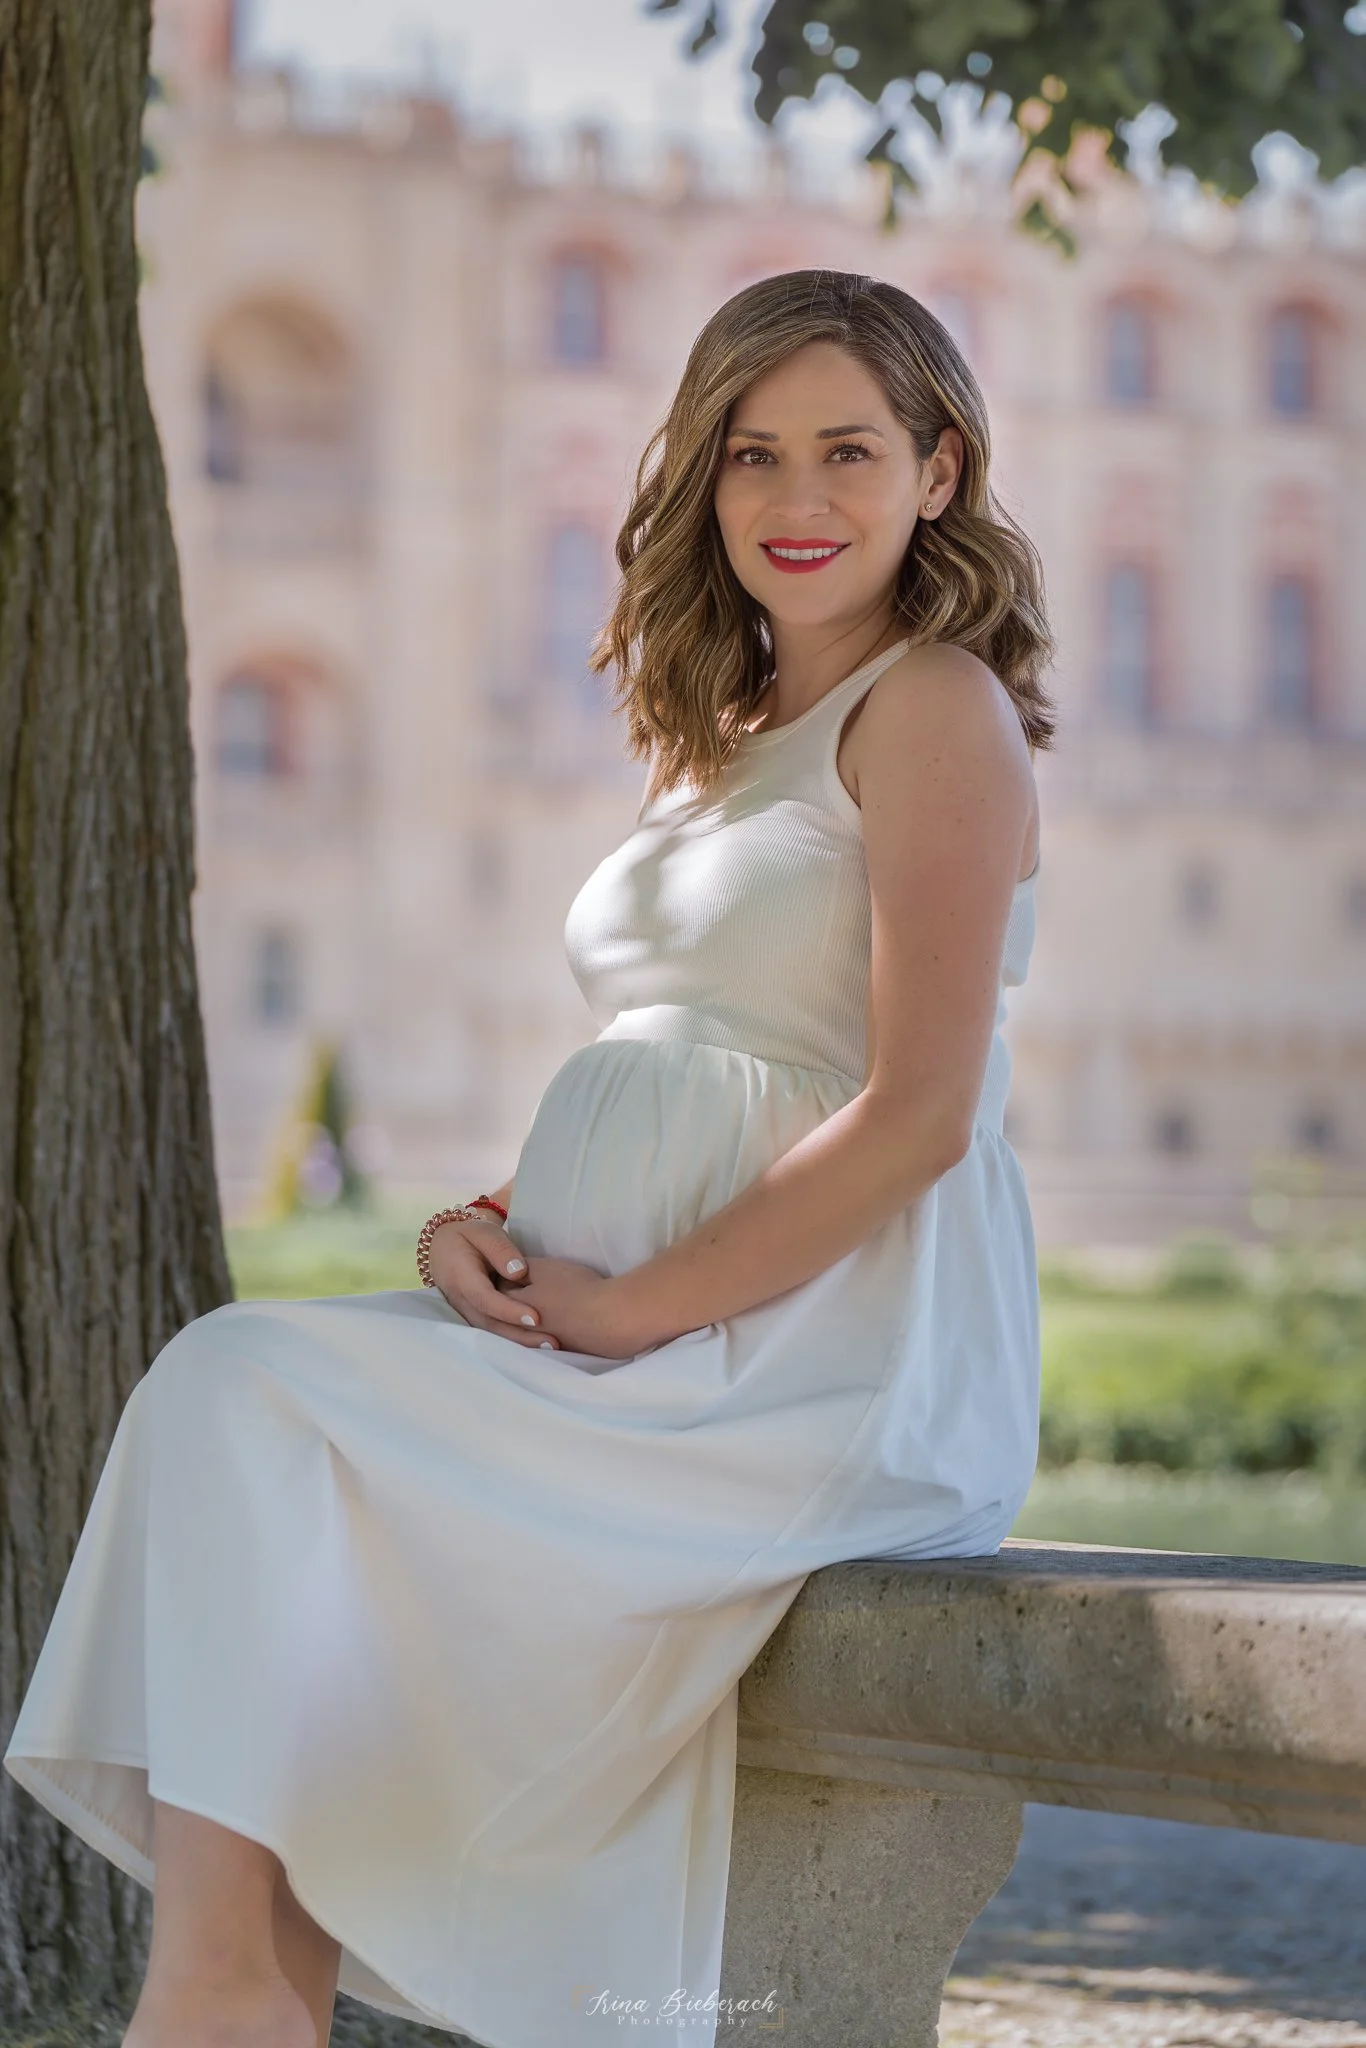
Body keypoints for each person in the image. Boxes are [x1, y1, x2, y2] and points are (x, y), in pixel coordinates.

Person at [4, 267, 1056, 2048]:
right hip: (633, 1318)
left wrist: (637, 1307)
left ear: (939, 473)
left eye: (848, 454)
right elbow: (677, 1063)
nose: (794, 504)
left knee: (241, 1382)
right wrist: (482, 1228)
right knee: (243, 1417)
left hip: (813, 1355)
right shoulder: (718, 738)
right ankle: (246, 1984)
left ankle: (216, 1998)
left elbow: (914, 1110)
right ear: (700, 482)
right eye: (750, 456)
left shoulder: (932, 705)